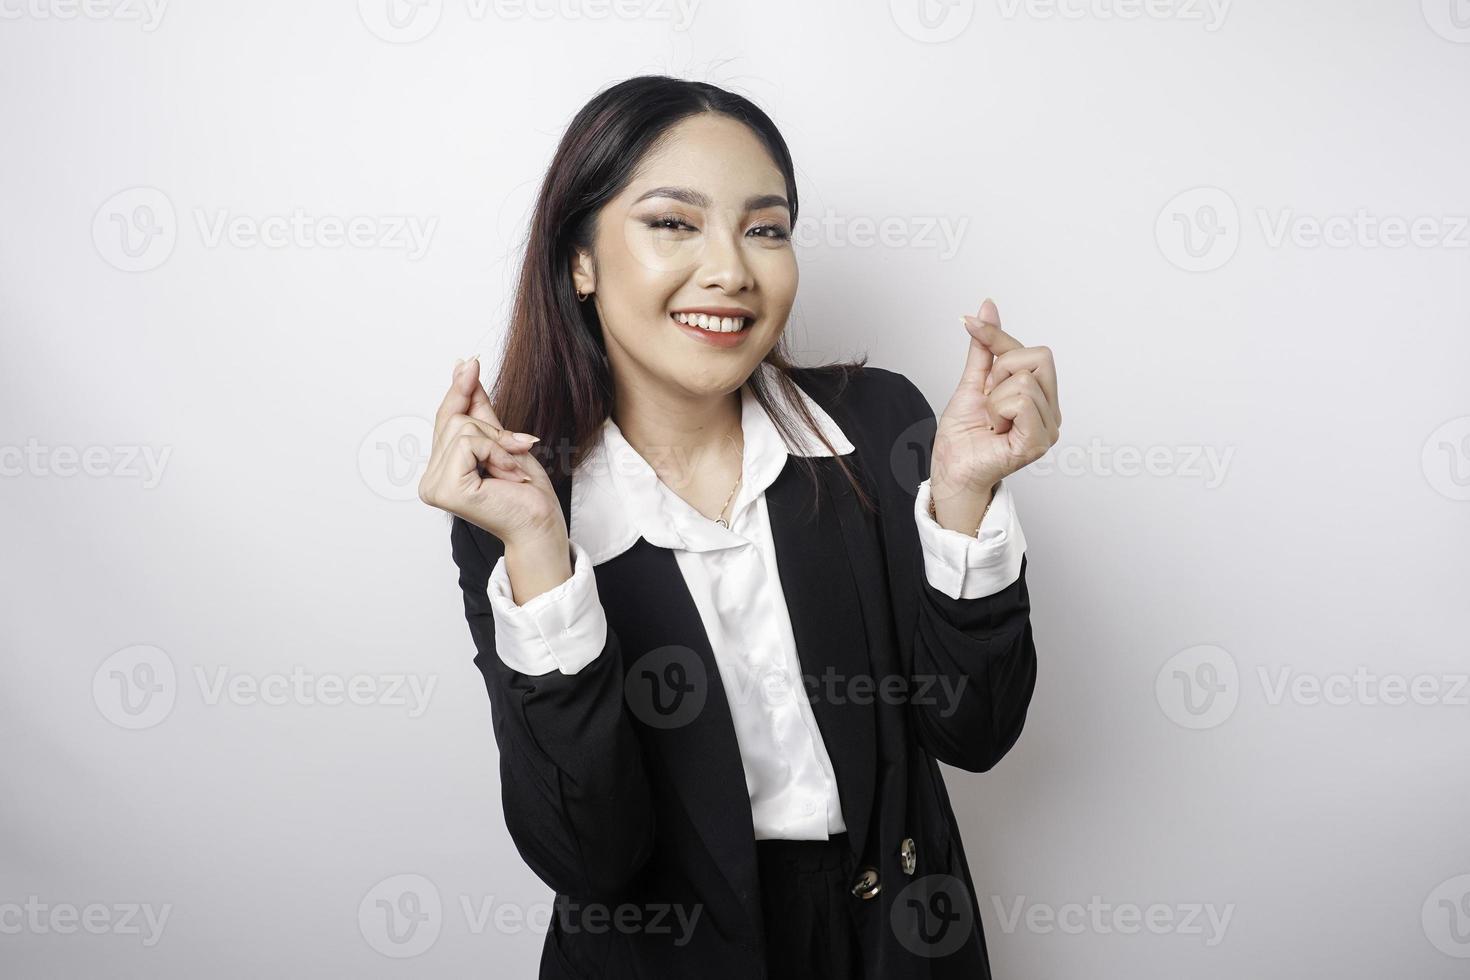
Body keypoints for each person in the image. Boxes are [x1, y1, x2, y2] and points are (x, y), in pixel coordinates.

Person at [418, 75, 1060, 979]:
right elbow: (586, 855)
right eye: (673, 223)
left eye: (765, 228)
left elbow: (976, 733)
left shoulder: (877, 427)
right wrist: (537, 556)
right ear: (580, 260)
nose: (731, 269)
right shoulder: (526, 508)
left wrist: (962, 498)